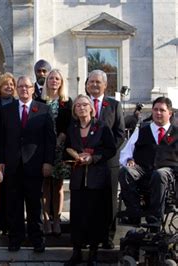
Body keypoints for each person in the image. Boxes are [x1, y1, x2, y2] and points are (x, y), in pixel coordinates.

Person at [0, 75, 56, 253]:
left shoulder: (44, 110)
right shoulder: (7, 110)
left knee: (34, 205)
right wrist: (0, 161)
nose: (24, 89)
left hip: (35, 165)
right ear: (16, 89)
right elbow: (1, 139)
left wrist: (48, 162)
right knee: (13, 205)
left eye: (27, 87)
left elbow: (50, 140)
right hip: (12, 165)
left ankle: (37, 239)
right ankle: (15, 239)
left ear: (33, 89)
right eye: (20, 86)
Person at [63, 94, 116, 266]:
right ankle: (76, 251)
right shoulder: (72, 128)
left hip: (97, 177)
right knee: (77, 216)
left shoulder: (101, 126)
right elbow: (66, 149)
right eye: (77, 106)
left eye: (84, 105)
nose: (81, 108)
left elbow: (111, 149)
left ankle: (93, 253)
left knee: (95, 216)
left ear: (91, 108)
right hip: (78, 178)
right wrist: (73, 156)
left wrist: (94, 158)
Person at [119, 96, 177, 225]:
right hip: (143, 169)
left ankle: (155, 216)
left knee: (160, 174)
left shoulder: (176, 133)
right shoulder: (142, 130)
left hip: (167, 173)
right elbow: (125, 152)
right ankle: (134, 212)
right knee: (125, 172)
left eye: (162, 110)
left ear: (170, 113)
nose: (158, 113)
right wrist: (129, 159)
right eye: (155, 109)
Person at [86, 69, 125, 249]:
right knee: (90, 202)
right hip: (87, 162)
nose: (94, 85)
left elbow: (119, 134)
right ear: (86, 84)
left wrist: (102, 155)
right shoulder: (82, 103)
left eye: (97, 82)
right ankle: (89, 235)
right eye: (91, 81)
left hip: (109, 161)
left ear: (105, 85)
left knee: (109, 201)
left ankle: (108, 237)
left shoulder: (114, 105)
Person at [38, 69, 72, 236]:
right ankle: (45, 219)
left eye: (57, 78)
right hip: (43, 148)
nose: (54, 81)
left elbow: (69, 124)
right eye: (51, 78)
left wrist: (60, 138)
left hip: (60, 148)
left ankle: (57, 220)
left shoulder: (67, 101)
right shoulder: (39, 100)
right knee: (45, 184)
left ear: (61, 82)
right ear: (47, 81)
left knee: (57, 184)